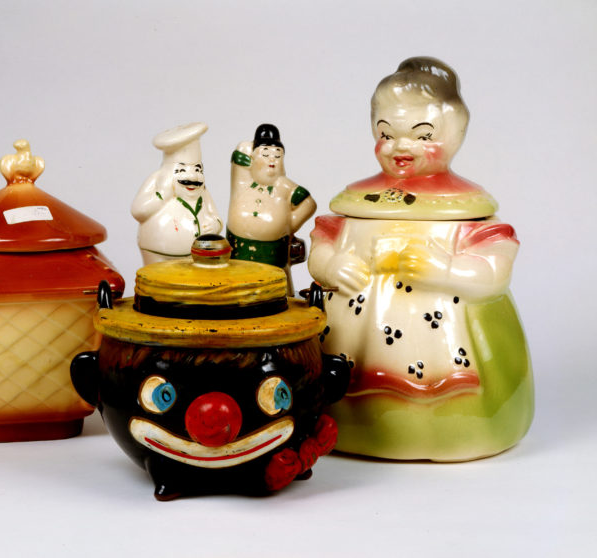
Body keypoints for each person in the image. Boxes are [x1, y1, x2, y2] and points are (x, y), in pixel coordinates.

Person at [308, 57, 533, 461]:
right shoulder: (357, 204)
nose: (401, 146)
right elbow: (321, 248)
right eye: (386, 133)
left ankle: (456, 429)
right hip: (349, 341)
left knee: (443, 396)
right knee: (343, 383)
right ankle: (346, 421)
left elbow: (494, 273)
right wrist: (329, 265)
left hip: (444, 337)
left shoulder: (467, 212)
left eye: (422, 134)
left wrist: (445, 270)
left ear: (455, 134)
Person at [227, 124, 316, 294]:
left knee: (278, 293)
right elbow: (239, 153)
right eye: (265, 154)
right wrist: (252, 146)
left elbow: (309, 204)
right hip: (239, 253)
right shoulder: (242, 182)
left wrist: (289, 224)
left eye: (277, 155)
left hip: (275, 253)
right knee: (239, 291)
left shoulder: (284, 185)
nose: (272, 160)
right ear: (253, 158)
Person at [132, 122, 223, 264]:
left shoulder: (203, 191)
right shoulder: (157, 180)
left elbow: (216, 216)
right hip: (158, 253)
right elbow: (138, 211)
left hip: (195, 255)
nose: (192, 177)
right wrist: (162, 195)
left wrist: (215, 225)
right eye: (181, 170)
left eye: (197, 169)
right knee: (158, 283)